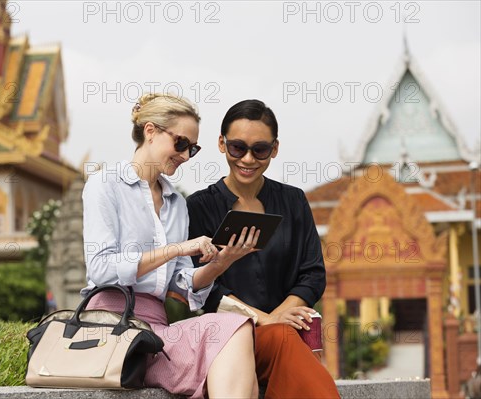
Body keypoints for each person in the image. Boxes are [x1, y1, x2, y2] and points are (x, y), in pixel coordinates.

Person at [81, 93, 261, 398]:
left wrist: (223, 262)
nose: (186, 155)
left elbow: (181, 286)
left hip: (155, 331)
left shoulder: (176, 202)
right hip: (111, 326)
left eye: (193, 148)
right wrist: (177, 248)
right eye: (180, 144)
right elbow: (101, 269)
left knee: (236, 326)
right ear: (150, 131)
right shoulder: (105, 184)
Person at [186, 99, 340, 399]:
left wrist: (279, 319)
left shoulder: (293, 201)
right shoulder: (198, 207)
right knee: (283, 337)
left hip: (288, 333)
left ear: (275, 148)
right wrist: (265, 320)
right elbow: (203, 288)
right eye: (237, 148)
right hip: (230, 339)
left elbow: (312, 274)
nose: (247, 159)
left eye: (260, 150)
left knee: (284, 338)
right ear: (221, 143)